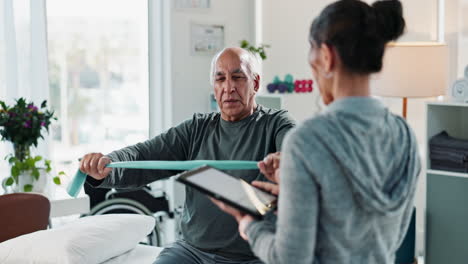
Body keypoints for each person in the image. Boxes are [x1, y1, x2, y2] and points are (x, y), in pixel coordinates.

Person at [214, 1, 421, 263]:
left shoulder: (308, 141)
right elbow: (373, 230)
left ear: (326, 56)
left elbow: (288, 258)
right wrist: (294, 196)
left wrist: (250, 225)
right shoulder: (405, 136)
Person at [79, 47, 295, 264]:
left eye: (237, 78)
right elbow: (145, 154)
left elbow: (295, 154)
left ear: (255, 83)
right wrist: (108, 165)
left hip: (251, 256)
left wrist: (286, 161)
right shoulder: (197, 129)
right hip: (192, 252)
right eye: (220, 79)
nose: (228, 88)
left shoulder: (276, 124)